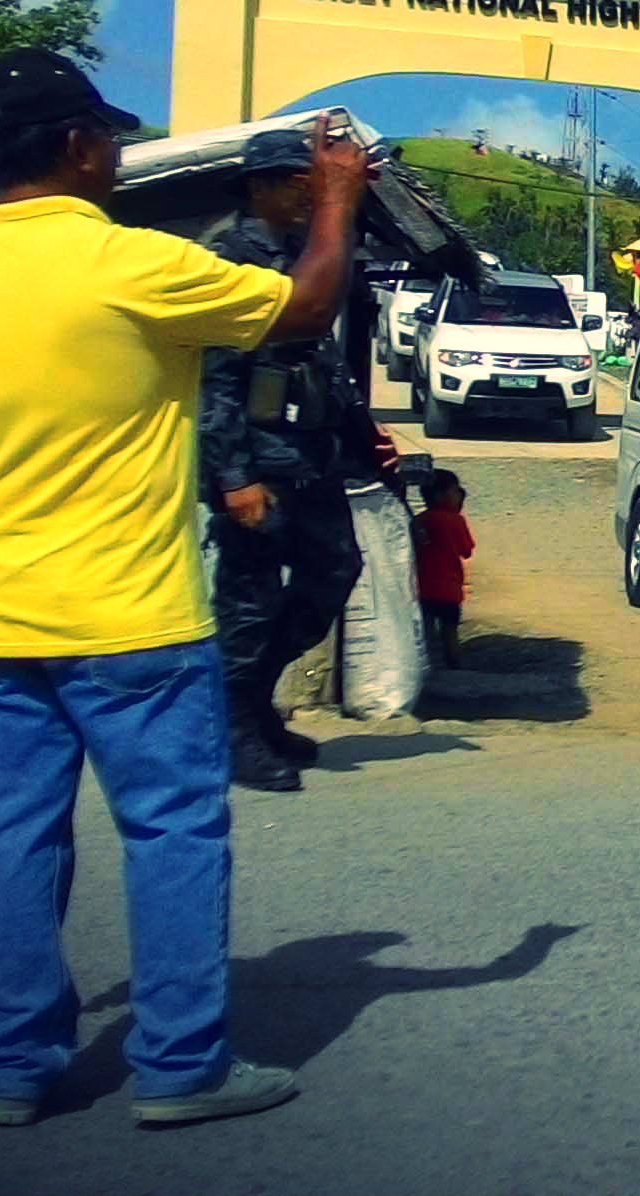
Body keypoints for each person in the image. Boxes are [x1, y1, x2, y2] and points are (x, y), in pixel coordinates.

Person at [0, 50, 366, 1129]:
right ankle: (181, 1066)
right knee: (172, 830)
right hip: (131, 619)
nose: (114, 152)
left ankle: (11, 1069)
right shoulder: (130, 264)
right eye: (104, 135)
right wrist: (336, 199)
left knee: (14, 835)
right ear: (74, 147)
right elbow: (304, 307)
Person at [197, 128, 393, 792]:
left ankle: (247, 703)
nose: (309, 196)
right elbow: (215, 381)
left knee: (334, 571)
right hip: (256, 466)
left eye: (312, 185)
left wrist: (365, 439)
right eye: (295, 183)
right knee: (248, 603)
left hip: (311, 459)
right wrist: (234, 478)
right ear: (259, 188)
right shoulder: (230, 256)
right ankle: (234, 732)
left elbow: (324, 361)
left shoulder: (307, 253)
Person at [413, 470, 473, 670]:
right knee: (450, 632)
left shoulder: (419, 520)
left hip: (422, 588)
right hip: (449, 589)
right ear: (442, 495)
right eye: (456, 492)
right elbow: (466, 550)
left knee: (425, 632)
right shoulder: (455, 521)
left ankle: (423, 667)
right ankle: (453, 667)